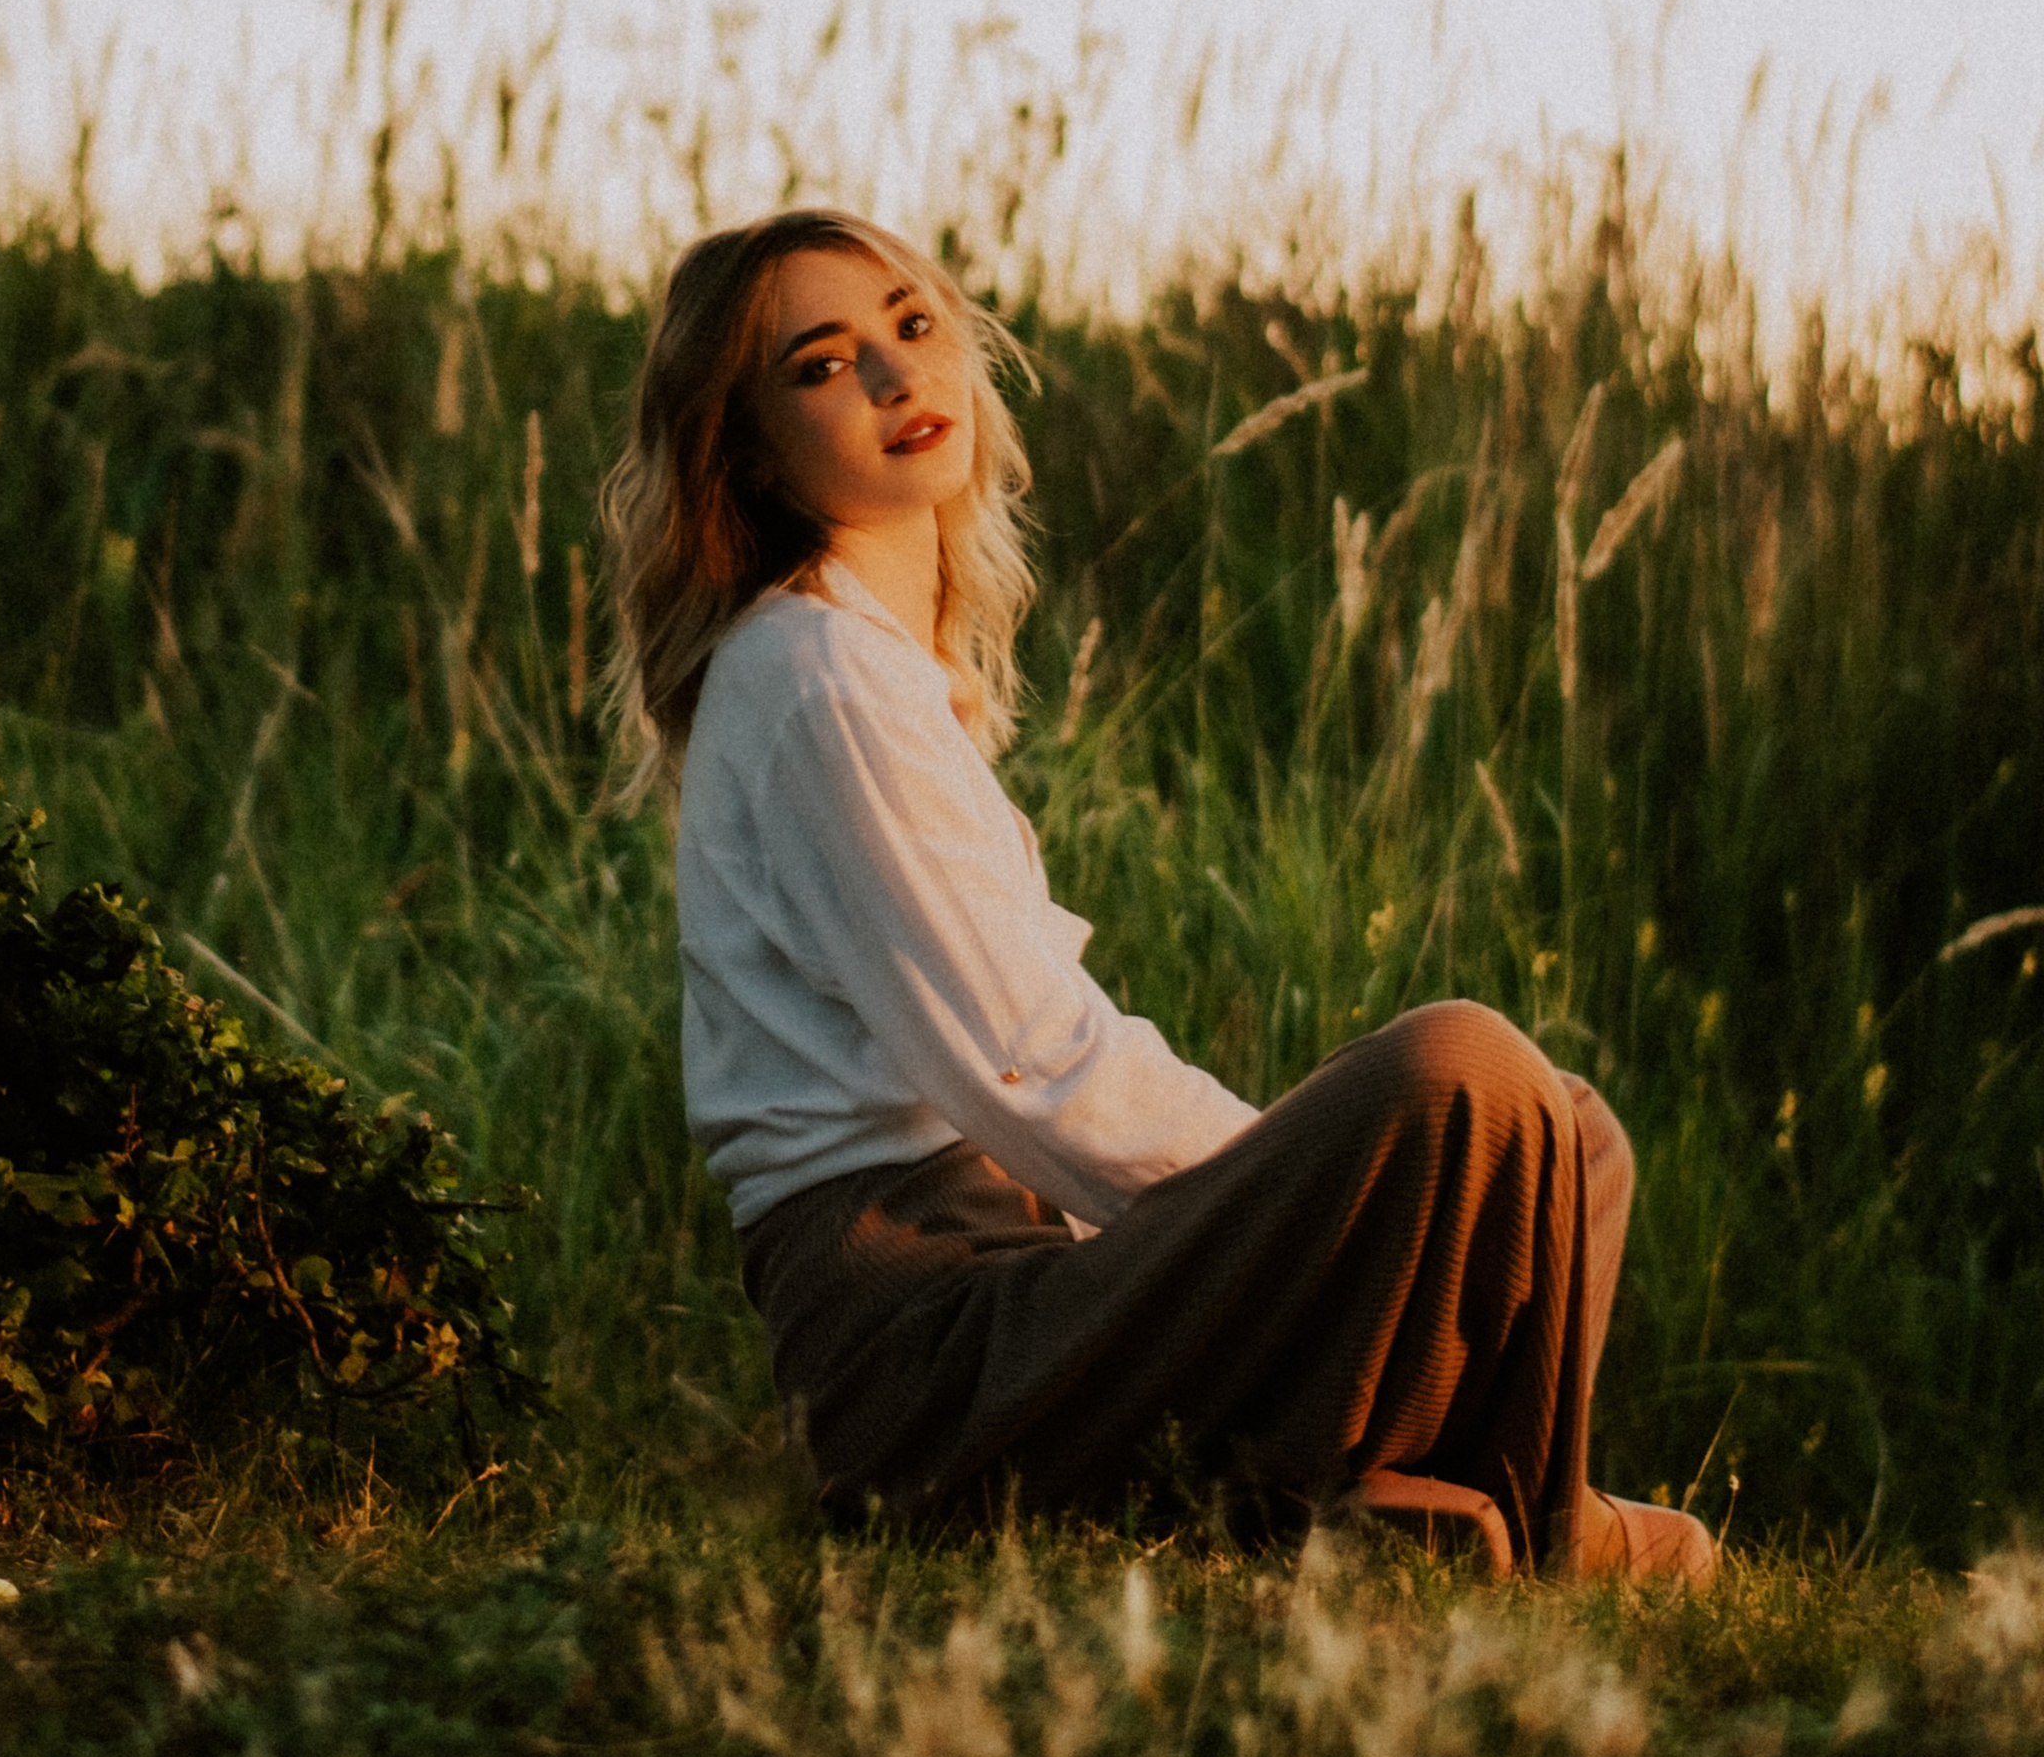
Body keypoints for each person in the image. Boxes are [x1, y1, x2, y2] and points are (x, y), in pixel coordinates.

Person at [603, 205, 1717, 1582]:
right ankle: (1499, 1522)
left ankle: (1406, 1518)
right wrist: (1309, 1199)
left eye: (909, 324)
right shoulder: (817, 679)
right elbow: (1032, 1068)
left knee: (1561, 1133)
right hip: (931, 1360)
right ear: (748, 446)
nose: (896, 376)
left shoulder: (865, 665)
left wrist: (1317, 1212)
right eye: (822, 364)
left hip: (1018, 1286)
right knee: (1465, 1075)